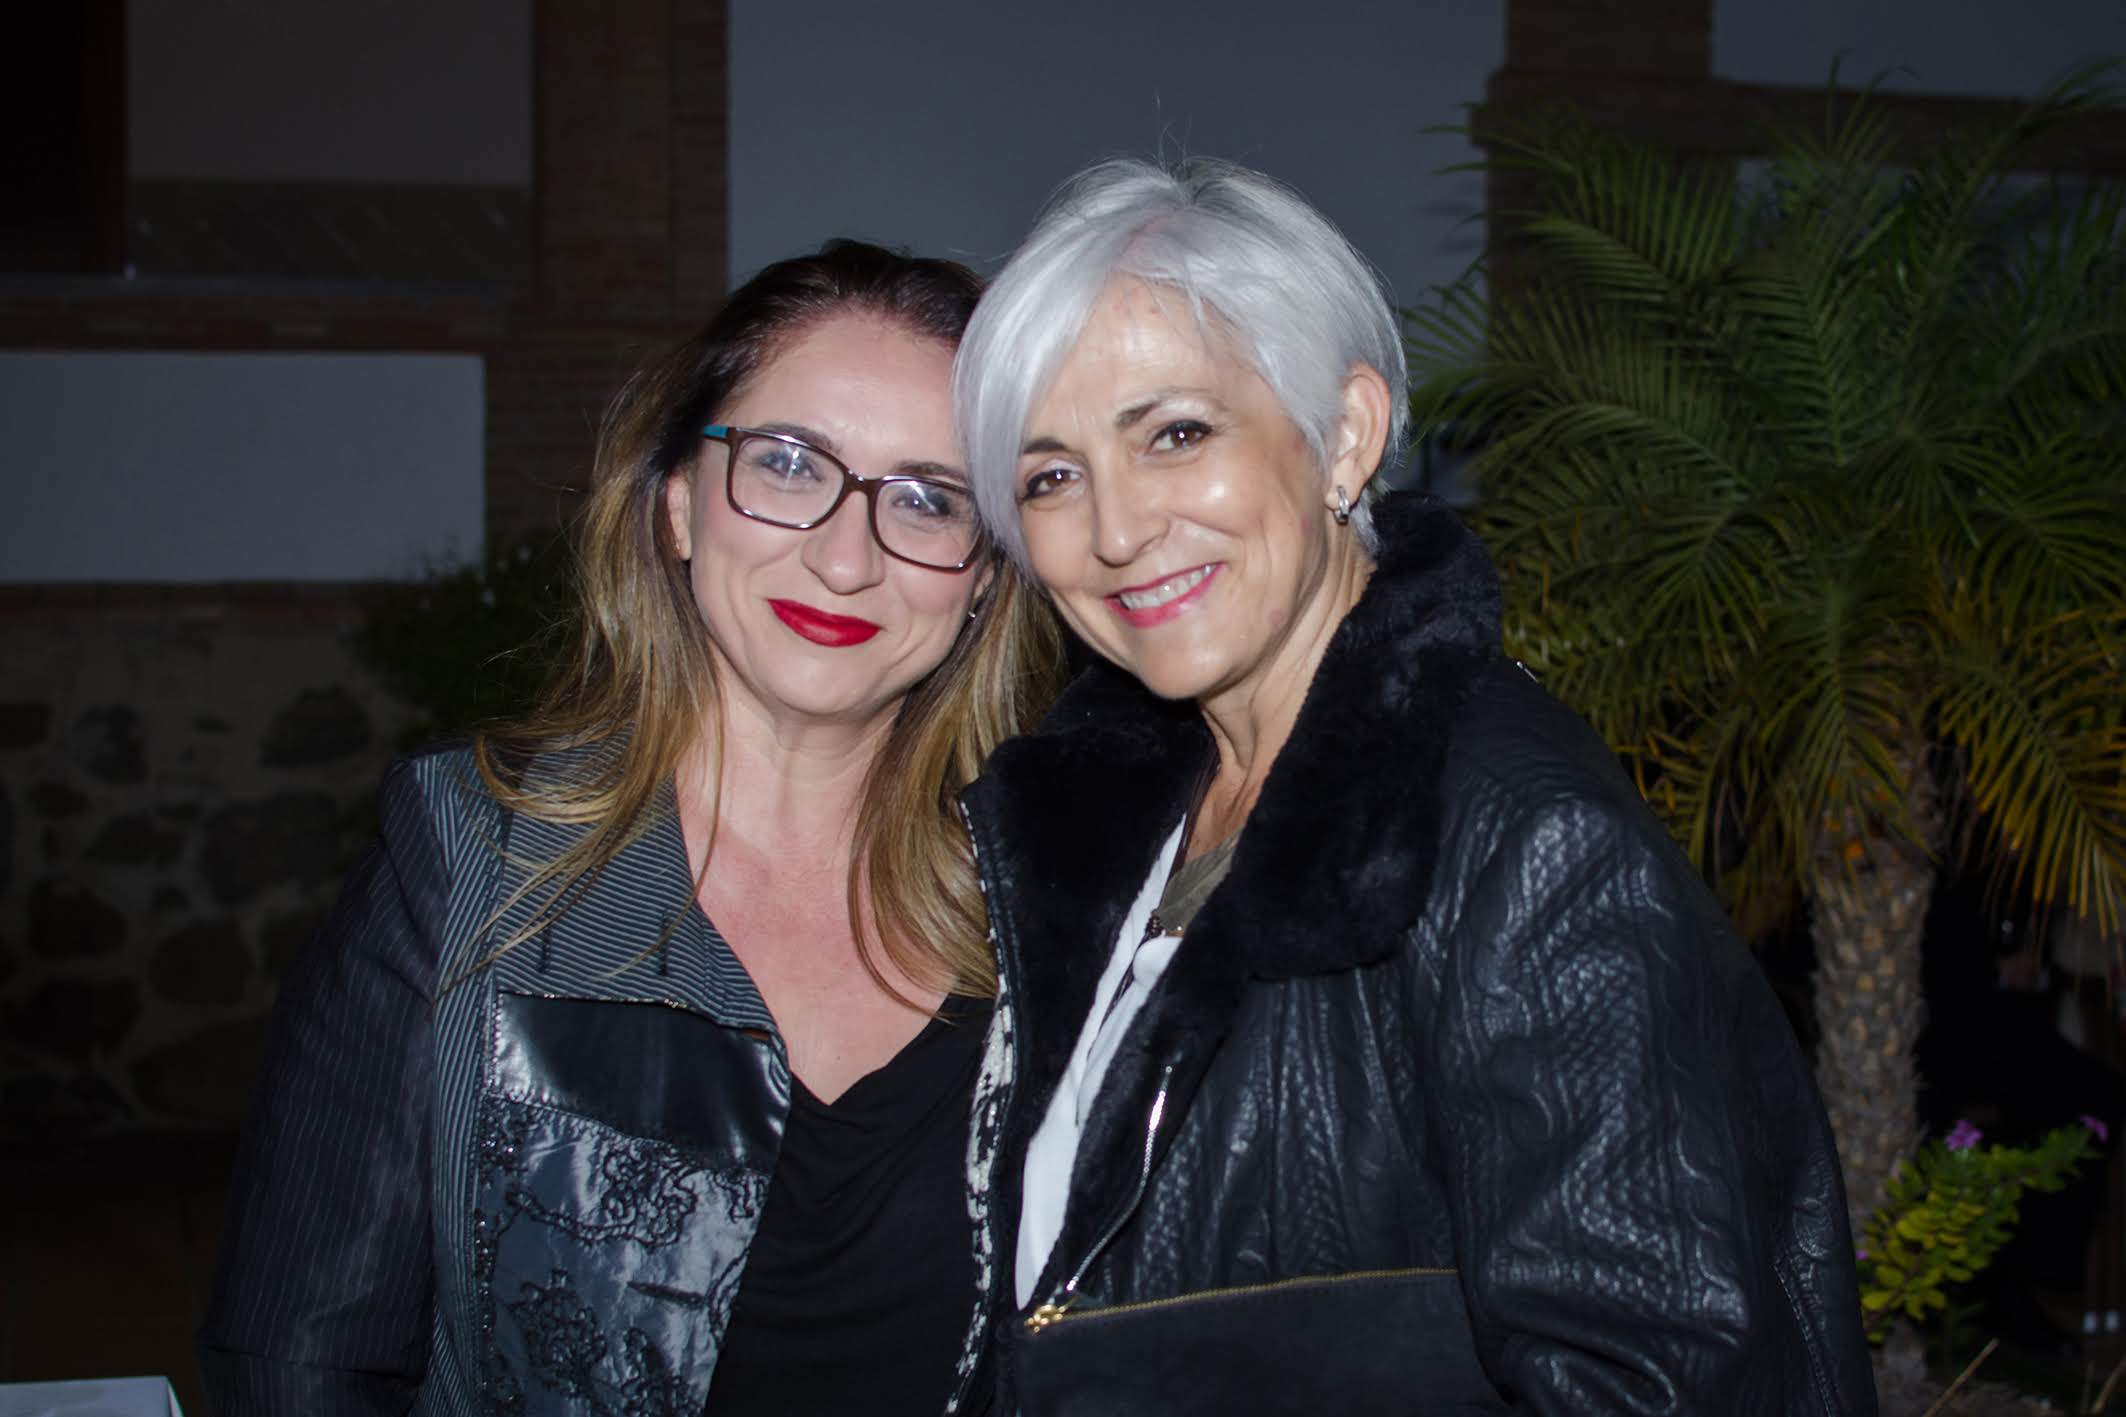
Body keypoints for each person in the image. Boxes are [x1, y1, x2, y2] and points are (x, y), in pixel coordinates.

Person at [942, 159, 1877, 1415]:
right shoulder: (1116, 821)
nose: (1114, 531)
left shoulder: (1519, 842)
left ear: (1344, 435)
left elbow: (1656, 1382)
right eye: (1050, 476)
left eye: (1174, 434)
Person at [201, 240, 1064, 1416]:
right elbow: (297, 1367)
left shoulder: (1053, 910)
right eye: (788, 464)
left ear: (984, 579)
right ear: (677, 506)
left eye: (927, 499)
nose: (845, 555)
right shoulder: (467, 864)